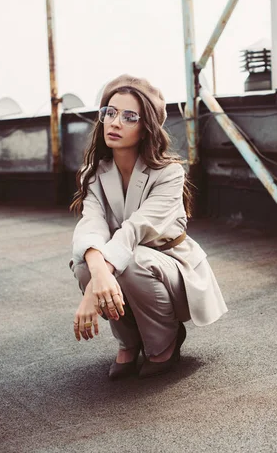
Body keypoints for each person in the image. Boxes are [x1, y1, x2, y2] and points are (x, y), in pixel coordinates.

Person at [69, 74, 227, 380]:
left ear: (145, 128)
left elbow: (133, 231)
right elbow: (91, 226)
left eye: (129, 117)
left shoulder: (168, 173)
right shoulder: (94, 173)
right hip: (127, 262)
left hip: (171, 270)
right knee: (84, 265)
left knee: (132, 261)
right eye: (110, 113)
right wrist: (95, 274)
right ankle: (129, 341)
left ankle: (164, 341)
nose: (115, 123)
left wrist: (92, 291)